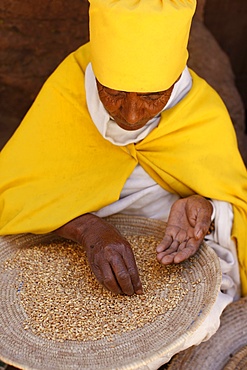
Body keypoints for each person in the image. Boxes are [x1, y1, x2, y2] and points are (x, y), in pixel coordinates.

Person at [0, 0, 247, 363]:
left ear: (175, 81)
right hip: (62, 241)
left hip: (169, 251)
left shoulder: (200, 111)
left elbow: (236, 204)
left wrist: (205, 208)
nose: (131, 116)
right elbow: (13, 192)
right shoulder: (69, 91)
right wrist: (88, 230)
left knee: (206, 320)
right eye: (113, 93)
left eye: (152, 97)